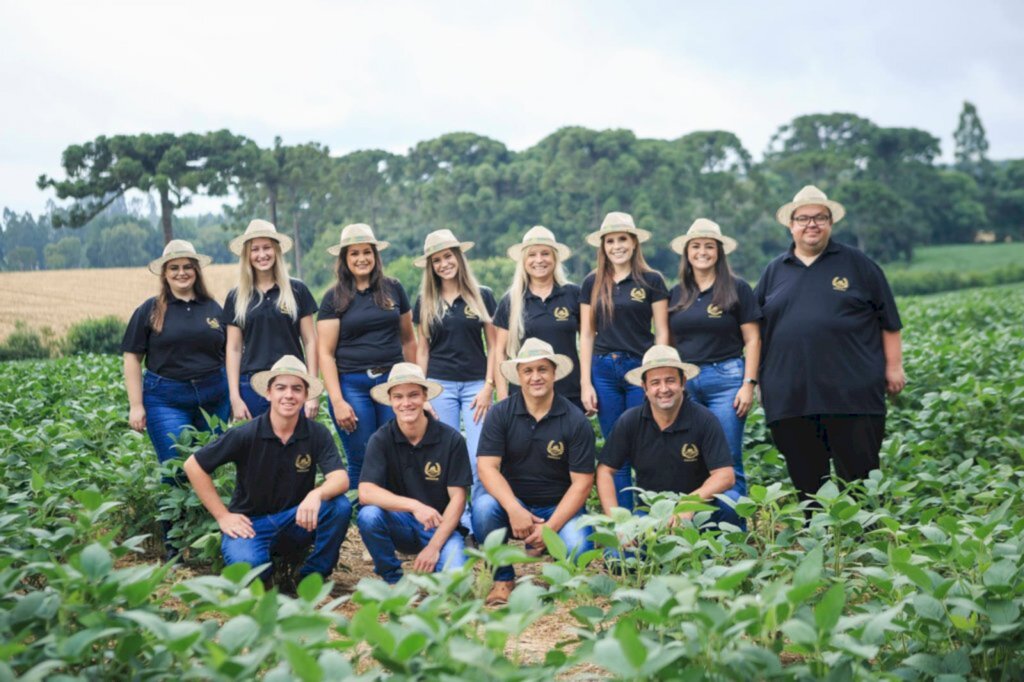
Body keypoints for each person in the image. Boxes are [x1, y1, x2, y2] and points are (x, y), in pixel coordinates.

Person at [755, 185, 906, 506]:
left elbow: (889, 321)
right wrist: (753, 380)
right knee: (807, 482)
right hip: (791, 397)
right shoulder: (773, 271)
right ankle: (817, 541)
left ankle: (865, 543)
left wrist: (894, 367)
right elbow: (756, 333)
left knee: (860, 479)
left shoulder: (858, 265)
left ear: (830, 223)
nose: (812, 224)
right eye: (804, 218)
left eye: (820, 217)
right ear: (791, 224)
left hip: (853, 394)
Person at [183, 356, 352, 590]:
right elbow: (193, 465)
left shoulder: (316, 433)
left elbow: (340, 478)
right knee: (249, 570)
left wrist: (316, 495)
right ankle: (267, 576)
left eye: (297, 389)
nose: (289, 395)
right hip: (250, 525)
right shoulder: (245, 434)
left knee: (339, 506)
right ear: (268, 393)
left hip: (295, 520)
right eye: (281, 388)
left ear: (305, 396)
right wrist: (223, 516)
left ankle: (310, 578)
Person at [121, 239, 230, 558]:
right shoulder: (150, 310)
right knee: (176, 469)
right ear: (165, 274)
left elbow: (231, 352)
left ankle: (207, 541)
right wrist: (136, 404)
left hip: (214, 397)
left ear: (196, 271)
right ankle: (174, 549)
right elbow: (131, 357)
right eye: (174, 268)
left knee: (210, 466)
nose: (181, 273)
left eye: (187, 267)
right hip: (165, 398)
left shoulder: (213, 309)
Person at [473, 338, 595, 606]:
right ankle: (502, 578)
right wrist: (514, 508)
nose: (535, 377)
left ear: (554, 373)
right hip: (512, 504)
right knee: (482, 509)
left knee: (579, 549)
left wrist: (550, 528)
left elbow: (583, 483)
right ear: (518, 376)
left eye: (542, 369)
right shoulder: (501, 414)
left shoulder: (574, 420)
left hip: (557, 506)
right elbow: (487, 467)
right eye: (528, 371)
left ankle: (557, 576)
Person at [579, 211, 669, 511]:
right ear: (603, 246)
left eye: (622, 239)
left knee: (644, 443)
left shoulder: (652, 280)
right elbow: (587, 335)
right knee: (616, 449)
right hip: (603, 371)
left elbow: (662, 332)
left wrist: (657, 374)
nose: (617, 246)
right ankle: (623, 526)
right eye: (611, 241)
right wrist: (585, 383)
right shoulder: (592, 282)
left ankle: (651, 518)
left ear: (634, 243)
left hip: (638, 371)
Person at [596, 345, 740, 530]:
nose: (663, 389)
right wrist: (617, 523)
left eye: (670, 380)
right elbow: (604, 471)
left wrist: (688, 504)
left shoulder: (704, 419)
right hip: (651, 513)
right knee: (619, 554)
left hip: (698, 509)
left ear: (683, 382)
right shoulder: (630, 421)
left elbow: (725, 476)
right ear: (644, 387)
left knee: (731, 502)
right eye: (655, 382)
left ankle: (723, 550)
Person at [317, 223, 416, 488]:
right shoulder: (333, 298)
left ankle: (393, 517)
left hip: (391, 384)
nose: (362, 259)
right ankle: (363, 520)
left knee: (395, 452)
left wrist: (415, 383)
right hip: (353, 385)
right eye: (354, 253)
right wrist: (337, 401)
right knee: (361, 456)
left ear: (375, 255)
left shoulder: (394, 289)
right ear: (344, 259)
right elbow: (325, 354)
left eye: (367, 252)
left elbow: (408, 339)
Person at [668, 219, 761, 498]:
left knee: (727, 457)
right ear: (687, 253)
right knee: (691, 457)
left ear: (719, 251)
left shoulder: (737, 288)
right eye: (696, 246)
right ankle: (699, 531)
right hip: (687, 384)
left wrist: (749, 384)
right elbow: (670, 342)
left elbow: (753, 339)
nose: (702, 252)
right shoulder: (677, 293)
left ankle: (733, 531)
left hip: (727, 380)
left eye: (709, 246)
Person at [412, 229, 497, 530]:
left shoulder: (482, 295)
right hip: (440, 385)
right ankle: (459, 524)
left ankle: (483, 520)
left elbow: (495, 344)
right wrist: (422, 393)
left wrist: (489, 385)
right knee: (448, 457)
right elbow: (422, 350)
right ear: (430, 266)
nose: (444, 264)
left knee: (479, 457)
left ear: (459, 257)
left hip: (476, 384)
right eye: (436, 260)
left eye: (448, 256)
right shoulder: (425, 300)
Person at [357, 363, 472, 584]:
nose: (406, 403)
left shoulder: (450, 439)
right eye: (398, 397)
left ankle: (436, 569)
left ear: (425, 396)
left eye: (413, 395)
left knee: (457, 584)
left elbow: (458, 499)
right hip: (399, 523)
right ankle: (393, 580)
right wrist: (415, 506)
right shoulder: (381, 439)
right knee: (369, 515)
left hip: (440, 526)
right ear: (390, 400)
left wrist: (434, 547)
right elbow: (366, 492)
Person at [224, 219, 319, 420]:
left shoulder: (297, 290)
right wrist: (234, 397)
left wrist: (312, 391)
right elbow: (233, 348)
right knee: (257, 449)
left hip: (292, 384)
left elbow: (310, 341)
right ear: (247, 255)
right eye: (255, 249)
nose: (262, 255)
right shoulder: (237, 297)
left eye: (267, 247)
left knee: (295, 447)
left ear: (276, 250)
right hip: (251, 386)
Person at [493, 226, 583, 411]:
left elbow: (590, 341)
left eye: (545, 254)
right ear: (524, 260)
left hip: (570, 393)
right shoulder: (511, 300)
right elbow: (499, 352)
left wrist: (588, 385)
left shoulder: (574, 294)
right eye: (532, 255)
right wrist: (503, 397)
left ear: (555, 258)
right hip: (524, 396)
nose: (539, 260)